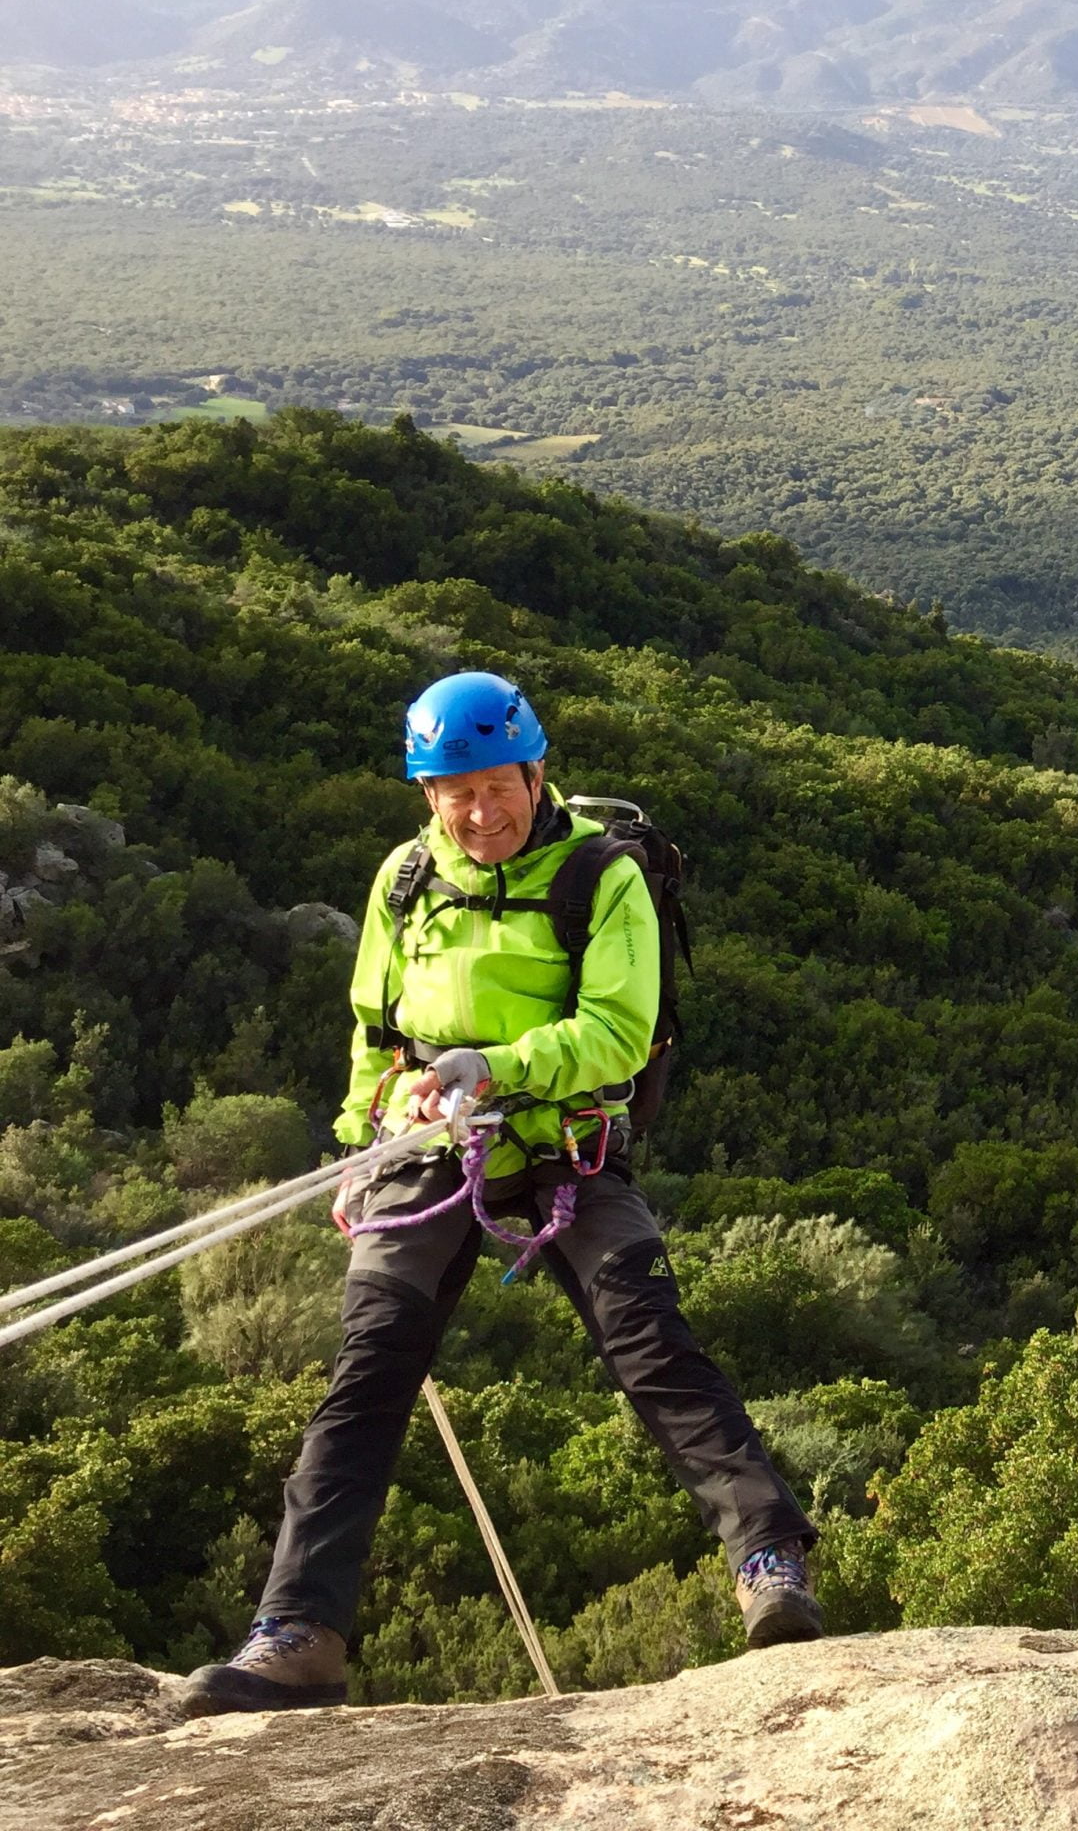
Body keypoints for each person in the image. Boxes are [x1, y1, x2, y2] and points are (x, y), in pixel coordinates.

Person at [180, 671, 820, 1716]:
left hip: (560, 1135)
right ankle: (298, 1635)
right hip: (426, 1137)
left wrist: (494, 1067)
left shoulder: (599, 878)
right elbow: (375, 1032)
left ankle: (770, 1562)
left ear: (535, 772)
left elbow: (615, 1033)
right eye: (453, 794)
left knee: (646, 1336)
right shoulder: (404, 880)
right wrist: (356, 1147)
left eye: (496, 788)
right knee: (369, 1371)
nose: (480, 814)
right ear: (426, 798)